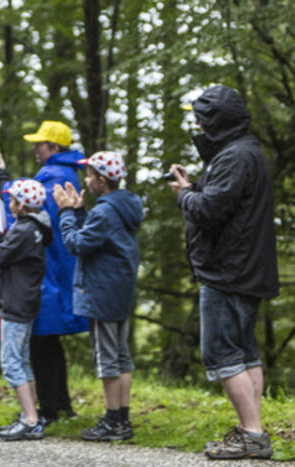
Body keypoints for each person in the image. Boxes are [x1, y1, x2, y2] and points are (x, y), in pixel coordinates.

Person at [168, 85, 278, 460]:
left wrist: (184, 195)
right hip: (245, 269)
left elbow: (209, 210)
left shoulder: (234, 156)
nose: (197, 125)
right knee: (245, 354)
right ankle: (253, 430)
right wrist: (193, 186)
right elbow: (223, 200)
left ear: (216, 121)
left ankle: (252, 434)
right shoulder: (243, 152)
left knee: (221, 354)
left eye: (201, 119)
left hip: (228, 271)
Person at [0, 120, 88, 425]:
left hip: (44, 277)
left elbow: (24, 204)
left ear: (55, 147)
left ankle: (49, 408)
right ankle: (57, 404)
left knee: (43, 341)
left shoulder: (56, 178)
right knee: (46, 341)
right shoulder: (63, 174)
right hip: (50, 272)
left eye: (40, 144)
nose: (35, 148)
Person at [53, 150, 143, 442]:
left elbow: (76, 244)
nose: (87, 180)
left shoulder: (105, 211)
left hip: (102, 292)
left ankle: (113, 420)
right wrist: (80, 212)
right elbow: (98, 237)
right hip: (119, 290)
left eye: (90, 175)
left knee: (107, 360)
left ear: (102, 180)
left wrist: (66, 213)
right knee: (121, 356)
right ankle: (122, 419)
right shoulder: (122, 206)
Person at [0, 179, 53, 441]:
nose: (11, 205)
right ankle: (33, 415)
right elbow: (6, 253)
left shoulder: (24, 230)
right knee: (22, 360)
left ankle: (30, 420)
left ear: (22, 206)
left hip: (16, 303)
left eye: (13, 201)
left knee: (11, 362)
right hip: (25, 301)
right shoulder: (35, 228)